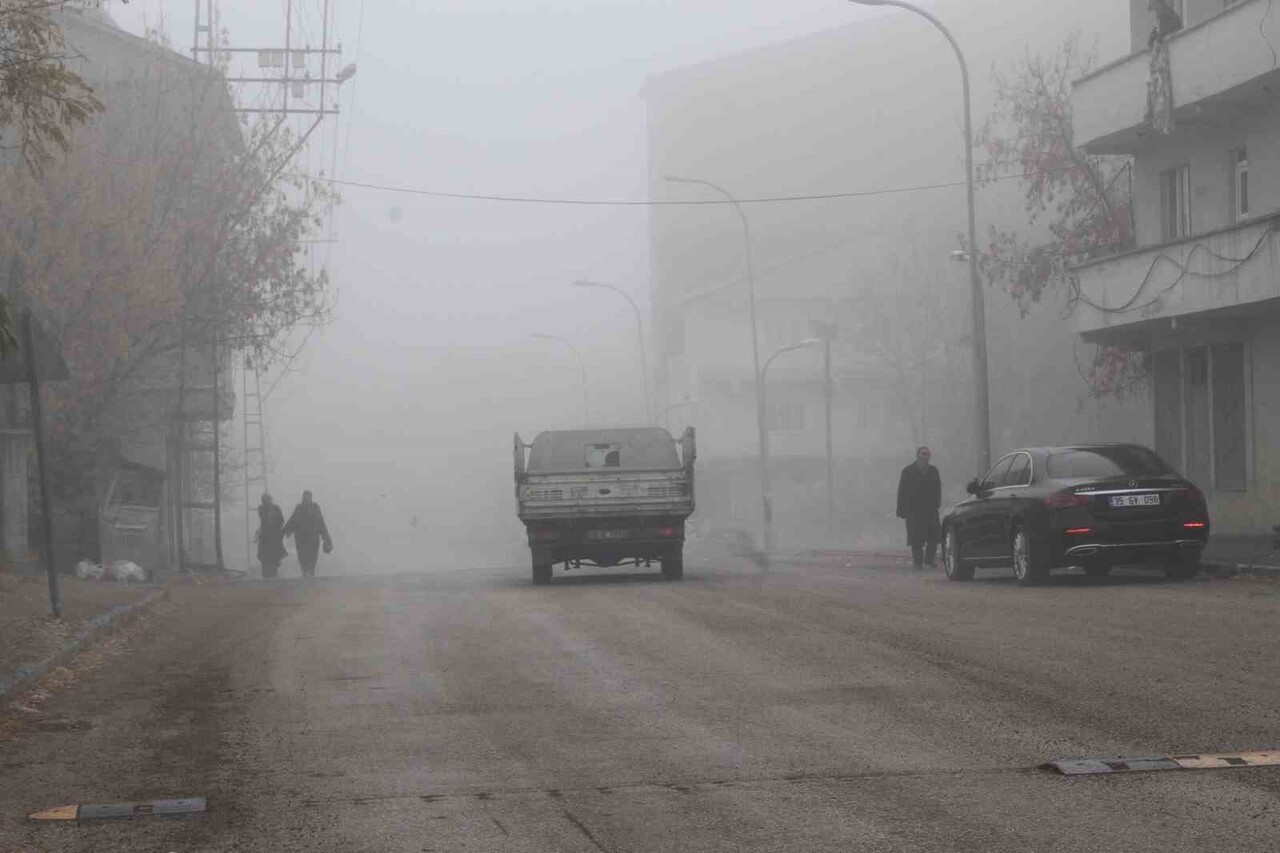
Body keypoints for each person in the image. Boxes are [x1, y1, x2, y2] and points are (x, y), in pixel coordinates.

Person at [896, 446, 942, 570]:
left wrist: (937, 503)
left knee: (932, 537)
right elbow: (902, 491)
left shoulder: (933, 471)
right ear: (917, 456)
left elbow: (938, 488)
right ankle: (918, 562)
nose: (925, 456)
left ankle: (929, 560)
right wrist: (902, 509)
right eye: (923, 454)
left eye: (927, 454)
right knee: (916, 538)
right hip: (913, 510)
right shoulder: (908, 471)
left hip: (930, 509)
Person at [283, 490, 333, 578]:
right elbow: (293, 520)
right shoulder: (300, 508)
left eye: (309, 497)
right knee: (304, 560)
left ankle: (309, 575)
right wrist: (284, 531)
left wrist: (326, 537)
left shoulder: (315, 508)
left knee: (311, 560)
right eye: (306, 497)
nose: (307, 499)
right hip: (302, 540)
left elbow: (321, 522)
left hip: (311, 539)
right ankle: (306, 575)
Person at [255, 493, 287, 579]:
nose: (264, 502)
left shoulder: (276, 508)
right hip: (265, 538)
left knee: (273, 558)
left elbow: (281, 521)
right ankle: (266, 577)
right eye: (263, 501)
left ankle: (273, 575)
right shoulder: (262, 509)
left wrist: (275, 526)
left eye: (266, 500)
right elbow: (263, 521)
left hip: (273, 537)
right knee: (265, 559)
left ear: (270, 499)